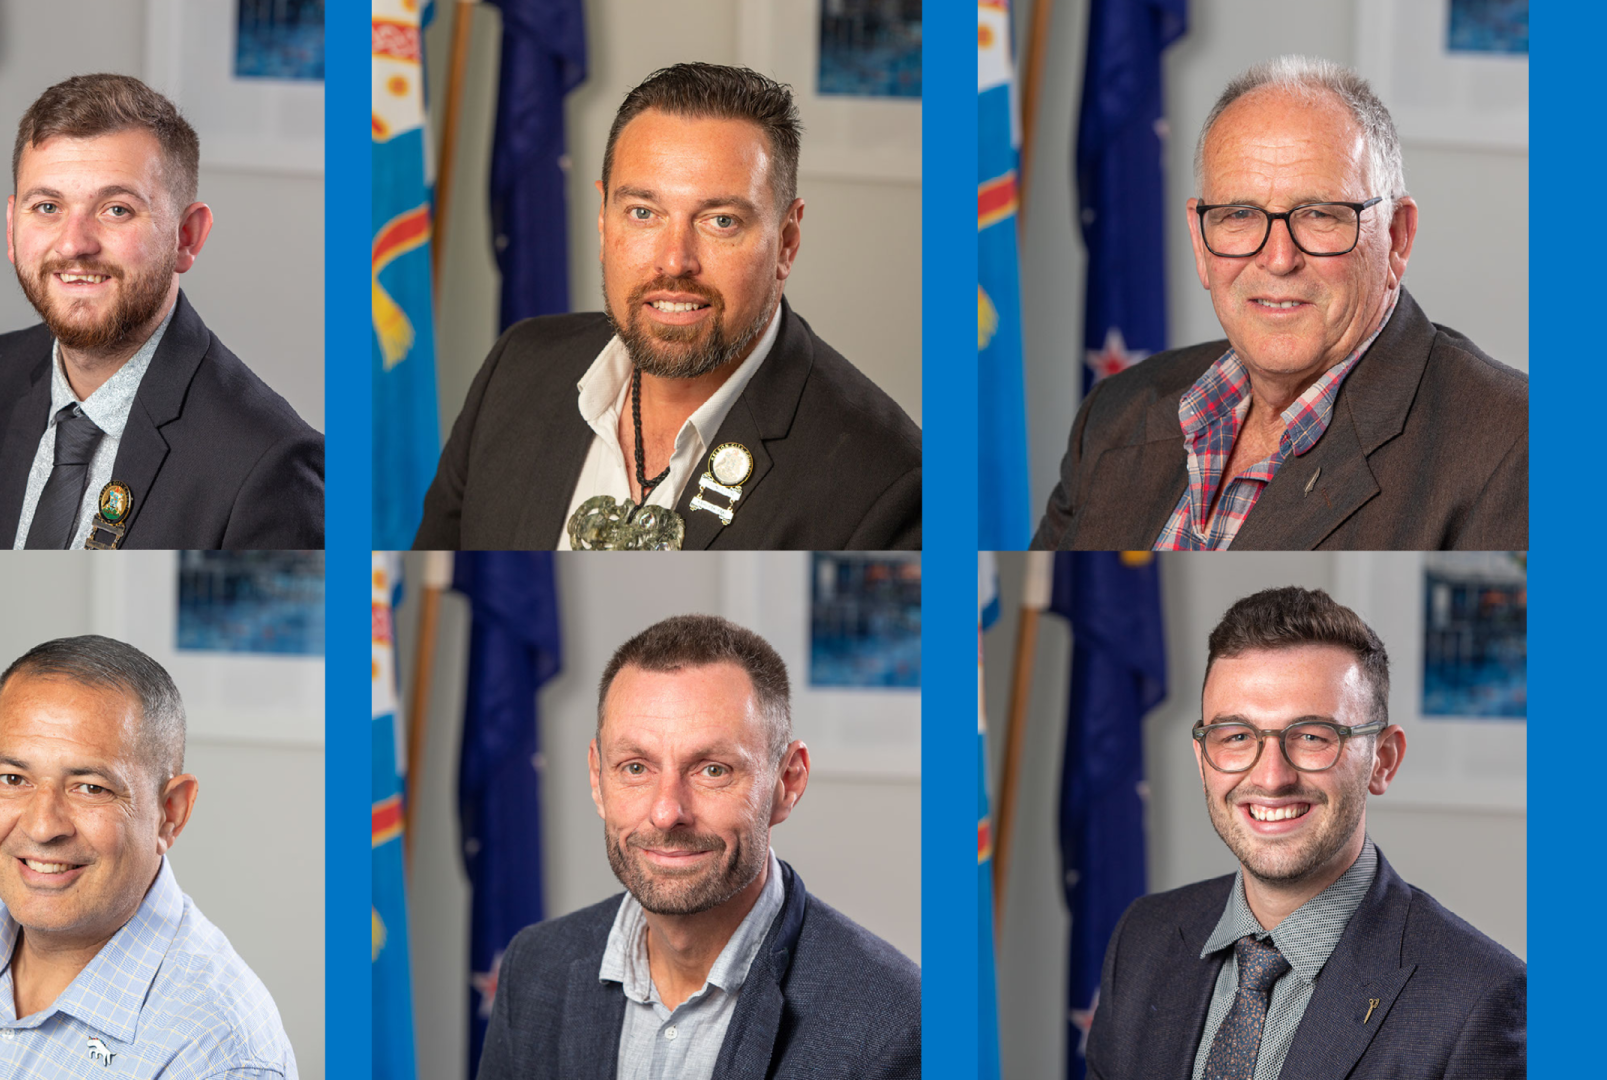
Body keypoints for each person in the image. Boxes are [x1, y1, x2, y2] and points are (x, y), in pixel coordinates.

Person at [414, 63, 921, 551]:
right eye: (642, 213)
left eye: (721, 221)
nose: (675, 261)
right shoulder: (517, 368)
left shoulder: (888, 486)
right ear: (603, 219)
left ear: (786, 241)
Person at [1033, 56, 1526, 551]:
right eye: (1240, 214)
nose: (1278, 258)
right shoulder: (1115, 413)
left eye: (1318, 214)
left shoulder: (1514, 444)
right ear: (1201, 242)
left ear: (1396, 237)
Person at [0, 635, 297, 1077]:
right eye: (13, 779)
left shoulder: (220, 1054)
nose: (42, 827)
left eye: (90, 787)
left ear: (170, 812)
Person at [1085, 588, 1523, 1080]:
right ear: (1203, 758)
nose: (1271, 778)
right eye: (1235, 737)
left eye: (1313, 736)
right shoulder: (1143, 938)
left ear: (1383, 760)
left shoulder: (1480, 1000)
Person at [476, 615, 921, 1079]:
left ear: (787, 782)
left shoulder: (895, 1026)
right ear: (597, 777)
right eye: (635, 768)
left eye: (713, 770)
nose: (667, 812)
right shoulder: (534, 969)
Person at [0, 74, 324, 549]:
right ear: (11, 227)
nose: (74, 243)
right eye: (47, 206)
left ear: (186, 237)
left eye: (117, 210)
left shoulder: (271, 464)